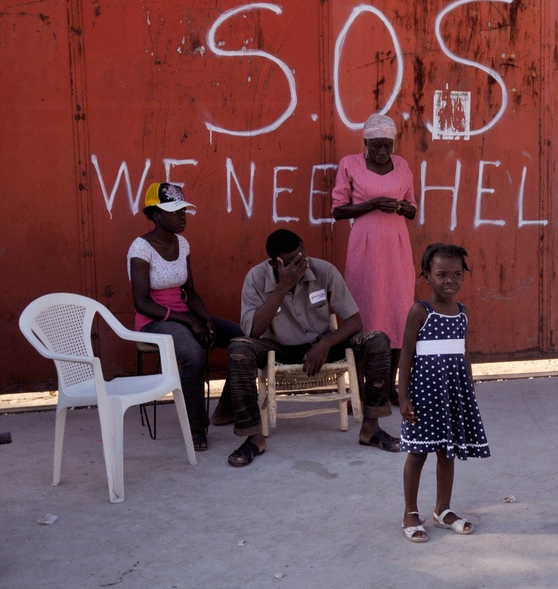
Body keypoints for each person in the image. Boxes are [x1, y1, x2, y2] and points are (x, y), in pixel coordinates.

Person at [224, 229, 399, 467]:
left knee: (377, 340)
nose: (303, 264)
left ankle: (371, 428)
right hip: (278, 349)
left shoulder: (324, 271)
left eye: (303, 256)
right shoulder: (255, 278)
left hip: (323, 346)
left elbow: (354, 322)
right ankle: (254, 438)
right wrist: (282, 288)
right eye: (294, 262)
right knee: (238, 349)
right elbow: (253, 331)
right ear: (276, 264)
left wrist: (325, 343)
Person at [127, 182, 243, 451]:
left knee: (241, 338)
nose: (182, 216)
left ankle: (227, 406)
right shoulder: (140, 248)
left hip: (182, 315)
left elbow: (190, 292)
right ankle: (196, 428)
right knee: (193, 352)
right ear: (156, 215)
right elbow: (142, 303)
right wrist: (189, 320)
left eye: (184, 211)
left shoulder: (183, 244)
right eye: (175, 211)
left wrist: (205, 319)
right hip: (154, 321)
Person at [398, 243, 490, 542]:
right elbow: (406, 355)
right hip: (424, 395)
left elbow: (463, 353)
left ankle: (443, 510)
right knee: (417, 453)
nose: (450, 281)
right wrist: (402, 396)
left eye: (456, 274)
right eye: (441, 275)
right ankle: (410, 512)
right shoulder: (420, 311)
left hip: (452, 394)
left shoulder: (462, 313)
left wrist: (468, 387)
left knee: (446, 452)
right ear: (427, 276)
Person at [332, 113, 417, 404]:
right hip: (365, 249)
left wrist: (401, 207)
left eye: (387, 146)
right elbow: (338, 210)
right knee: (365, 314)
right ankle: (361, 387)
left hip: (397, 250)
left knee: (398, 314)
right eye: (376, 145)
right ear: (365, 142)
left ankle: (388, 386)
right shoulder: (350, 164)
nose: (382, 152)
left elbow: (413, 209)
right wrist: (372, 205)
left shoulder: (402, 166)